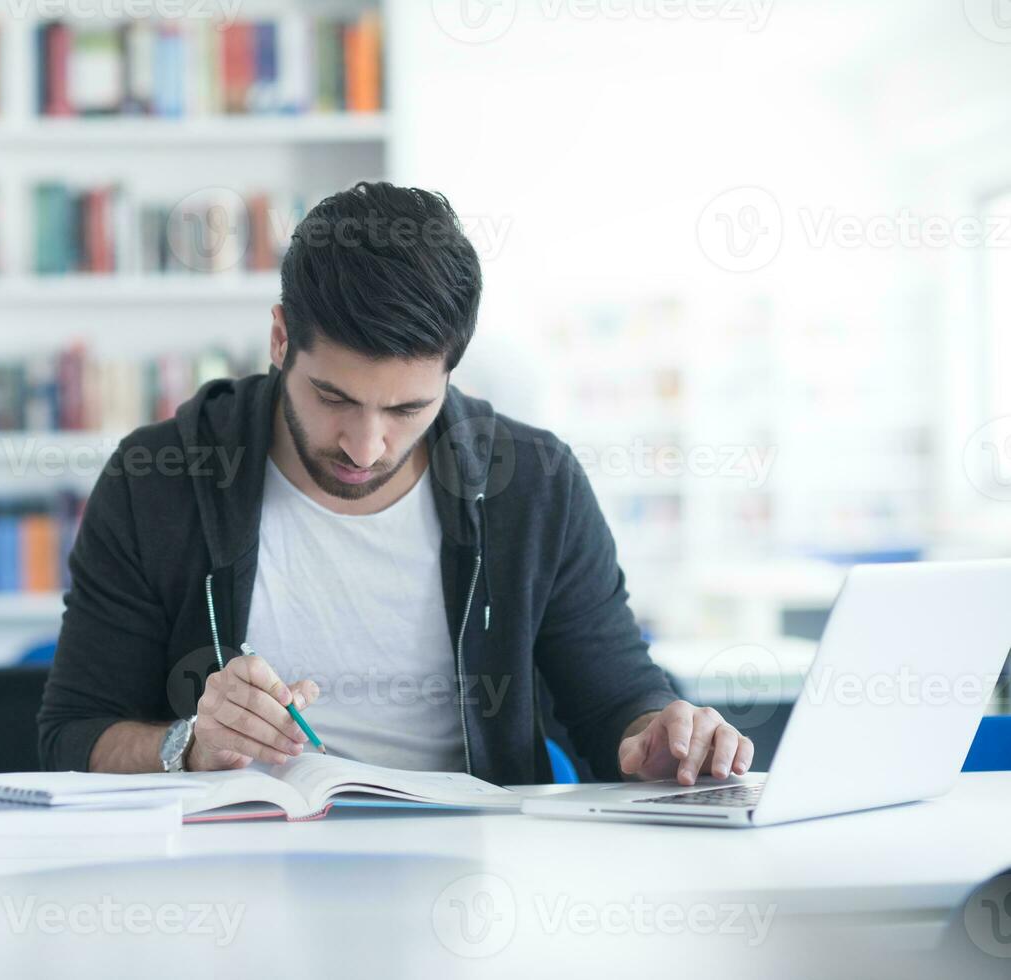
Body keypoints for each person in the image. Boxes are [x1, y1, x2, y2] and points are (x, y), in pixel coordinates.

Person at [38, 181, 752, 786]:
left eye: (407, 408)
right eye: (334, 398)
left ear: (449, 373)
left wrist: (661, 738)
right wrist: (186, 746)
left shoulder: (533, 485)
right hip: (230, 875)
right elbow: (71, 734)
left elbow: (615, 703)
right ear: (280, 339)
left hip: (471, 874)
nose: (364, 444)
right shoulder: (157, 479)